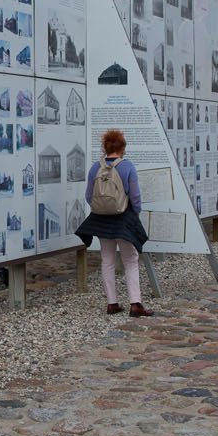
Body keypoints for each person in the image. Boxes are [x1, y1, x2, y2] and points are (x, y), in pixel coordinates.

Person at [75, 129, 152, 317]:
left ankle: (112, 303)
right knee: (130, 260)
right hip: (123, 219)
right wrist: (134, 214)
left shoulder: (95, 167)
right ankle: (135, 304)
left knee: (107, 259)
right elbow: (135, 196)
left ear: (105, 147)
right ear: (122, 148)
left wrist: (103, 207)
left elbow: (88, 196)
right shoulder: (127, 167)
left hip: (101, 220)